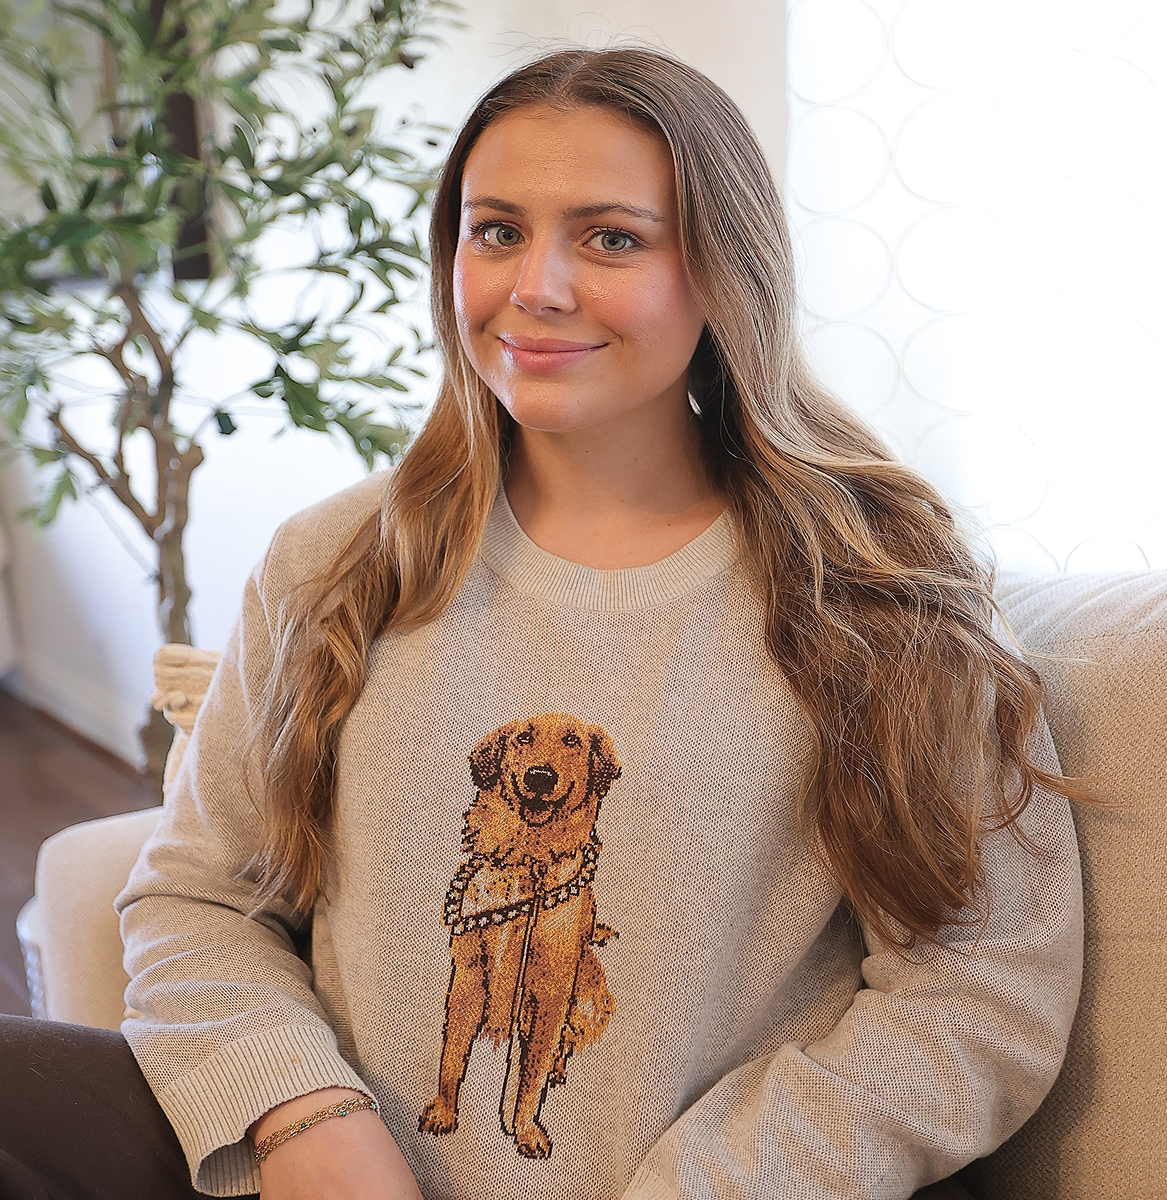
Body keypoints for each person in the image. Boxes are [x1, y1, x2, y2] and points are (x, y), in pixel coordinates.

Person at [0, 47, 1084, 1200]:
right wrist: (302, 1119)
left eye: (612, 237)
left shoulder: (881, 586)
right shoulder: (333, 561)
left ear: (723, 273)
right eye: (496, 230)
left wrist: (713, 1184)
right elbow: (199, 895)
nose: (537, 286)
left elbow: (980, 987)